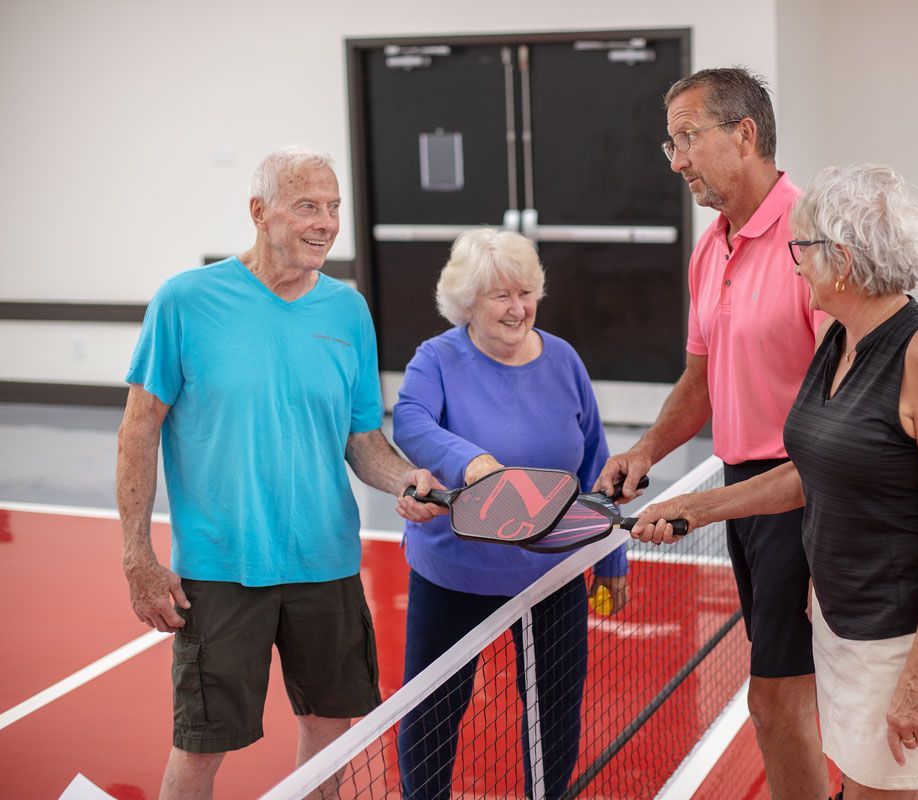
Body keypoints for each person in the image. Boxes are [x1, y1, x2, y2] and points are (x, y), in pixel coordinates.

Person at [632, 164, 918, 799]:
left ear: (843, 260)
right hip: (842, 618)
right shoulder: (840, 341)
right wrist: (698, 507)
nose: (795, 266)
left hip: (902, 633)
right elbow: (808, 474)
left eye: (803, 251)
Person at [117, 147, 441, 800]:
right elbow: (139, 428)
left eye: (333, 207)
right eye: (307, 206)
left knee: (330, 732)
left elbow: (363, 441)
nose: (326, 222)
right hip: (219, 571)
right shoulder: (186, 301)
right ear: (260, 213)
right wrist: (137, 557)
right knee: (201, 745)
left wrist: (405, 478)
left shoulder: (347, 312)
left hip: (326, 566)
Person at [595, 67, 828, 799]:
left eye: (688, 138)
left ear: (746, 135)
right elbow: (701, 380)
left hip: (805, 494)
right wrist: (644, 451)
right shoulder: (712, 246)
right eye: (671, 143)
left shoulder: (811, 237)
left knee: (780, 698)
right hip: (744, 492)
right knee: (792, 688)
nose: (676, 159)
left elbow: (844, 407)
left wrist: (712, 507)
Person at [392, 228, 628, 800]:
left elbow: (597, 466)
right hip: (453, 574)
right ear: (467, 301)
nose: (517, 308)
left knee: (555, 717)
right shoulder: (438, 359)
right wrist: (472, 463)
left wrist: (612, 561)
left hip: (554, 575)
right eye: (500, 295)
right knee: (431, 715)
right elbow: (411, 423)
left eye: (526, 292)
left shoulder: (564, 359)